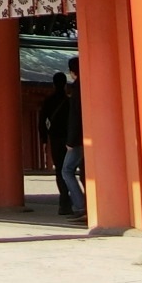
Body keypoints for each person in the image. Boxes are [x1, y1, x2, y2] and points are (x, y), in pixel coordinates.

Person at [36, 73, 72, 215]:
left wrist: (44, 139)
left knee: (60, 170)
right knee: (71, 169)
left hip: (55, 139)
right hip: (70, 139)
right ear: (65, 84)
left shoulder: (48, 101)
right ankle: (79, 201)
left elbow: (42, 122)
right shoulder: (69, 101)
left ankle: (64, 202)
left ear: (53, 84)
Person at [57, 57, 86, 223]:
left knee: (66, 170)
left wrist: (70, 140)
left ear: (73, 72)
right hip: (90, 135)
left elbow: (75, 117)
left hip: (78, 138)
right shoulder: (87, 85)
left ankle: (81, 206)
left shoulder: (76, 89)